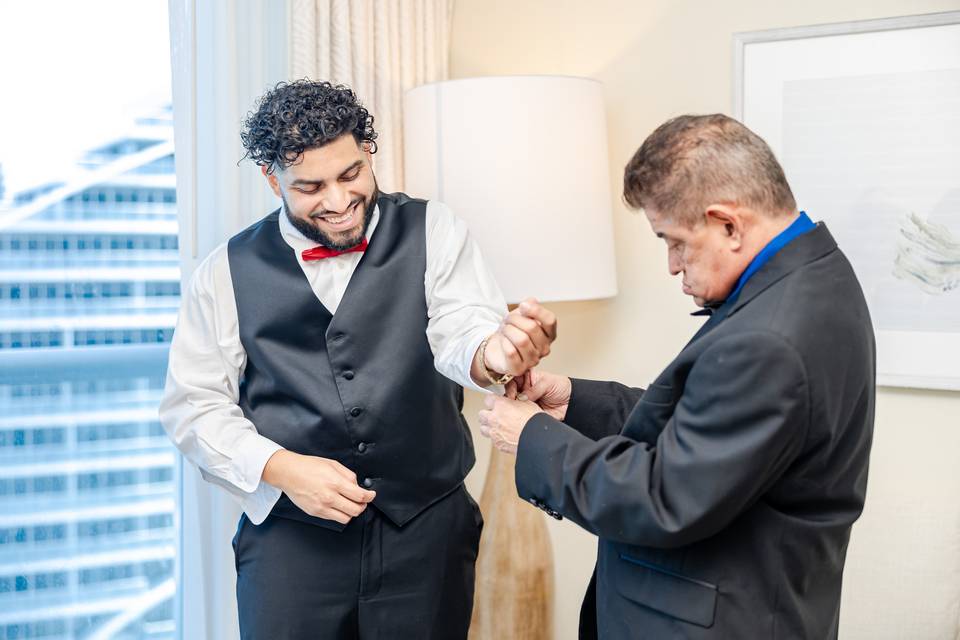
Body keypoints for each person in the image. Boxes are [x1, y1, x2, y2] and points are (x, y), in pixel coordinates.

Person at [159, 80, 556, 640]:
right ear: (272, 180)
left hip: (427, 532)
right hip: (292, 547)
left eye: (351, 175)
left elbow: (462, 332)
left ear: (368, 152)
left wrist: (496, 354)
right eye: (311, 187)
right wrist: (283, 469)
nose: (340, 201)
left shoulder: (435, 229)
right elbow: (193, 407)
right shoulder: (224, 270)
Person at [478, 114, 876, 639]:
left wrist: (531, 437)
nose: (671, 264)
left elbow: (665, 499)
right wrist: (573, 401)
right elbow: (708, 427)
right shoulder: (815, 273)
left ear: (728, 224)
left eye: (675, 241)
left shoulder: (769, 338)